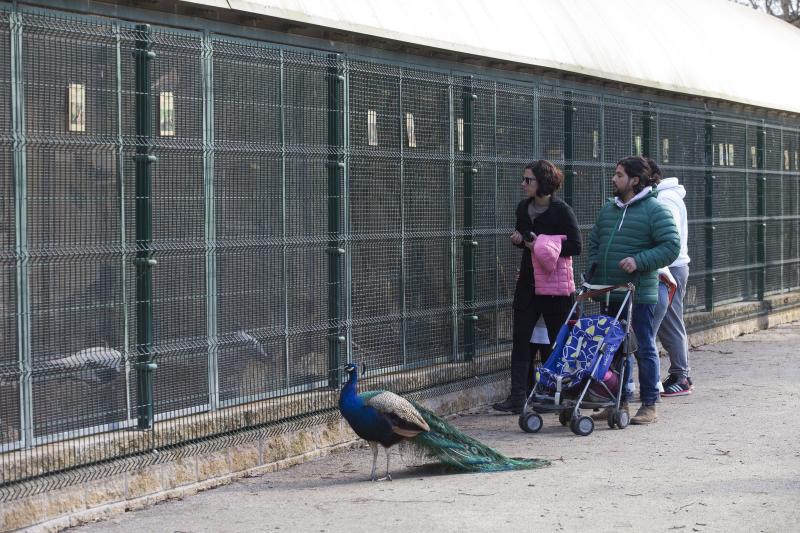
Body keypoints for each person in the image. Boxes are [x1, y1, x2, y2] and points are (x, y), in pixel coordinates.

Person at [586, 156, 679, 424]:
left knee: (643, 347)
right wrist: (595, 270)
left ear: (634, 180)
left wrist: (639, 261)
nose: (613, 179)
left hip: (638, 292)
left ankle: (650, 404)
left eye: (618, 175)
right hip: (609, 290)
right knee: (613, 348)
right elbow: (595, 241)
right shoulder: (608, 209)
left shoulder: (655, 210)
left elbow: (670, 247)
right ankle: (617, 401)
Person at [493, 160, 581, 414]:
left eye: (528, 180)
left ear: (542, 183)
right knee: (520, 340)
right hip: (529, 282)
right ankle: (518, 397)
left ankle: (561, 395)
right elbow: (526, 241)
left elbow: (575, 246)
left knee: (559, 341)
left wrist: (542, 244)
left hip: (555, 286)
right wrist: (520, 241)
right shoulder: (523, 208)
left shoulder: (562, 211)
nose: (523, 184)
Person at [647, 159, 693, 396]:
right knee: (670, 320)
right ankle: (682, 372)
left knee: (670, 321)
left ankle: (681, 375)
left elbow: (668, 240)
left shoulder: (664, 199)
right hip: (672, 265)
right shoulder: (665, 197)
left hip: (671, 267)